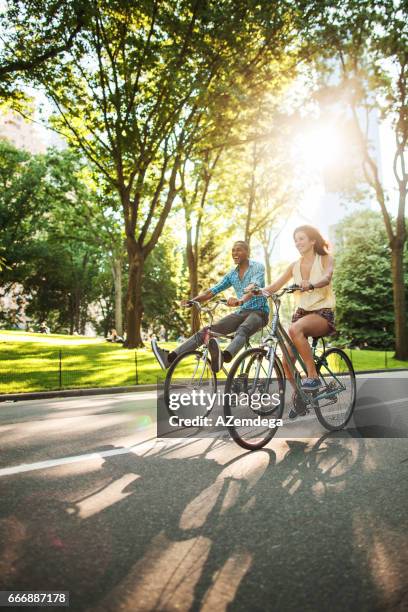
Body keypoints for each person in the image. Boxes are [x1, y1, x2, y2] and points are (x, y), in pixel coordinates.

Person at [246, 225, 335, 416]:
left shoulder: (326, 258)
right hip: (301, 314)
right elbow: (275, 285)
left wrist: (311, 284)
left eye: (301, 238)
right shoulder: (294, 266)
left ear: (312, 241)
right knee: (286, 361)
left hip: (322, 314)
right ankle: (301, 396)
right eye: (295, 240)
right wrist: (256, 290)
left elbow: (327, 277)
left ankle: (313, 376)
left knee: (295, 329)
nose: (297, 243)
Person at [151, 240, 269, 373]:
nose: (235, 253)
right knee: (207, 331)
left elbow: (253, 286)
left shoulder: (257, 267)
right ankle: (170, 358)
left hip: (259, 313)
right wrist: (192, 301)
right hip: (241, 312)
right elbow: (211, 292)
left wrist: (240, 300)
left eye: (239, 249)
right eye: (233, 250)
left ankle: (224, 357)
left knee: (242, 330)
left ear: (247, 252)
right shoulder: (232, 274)